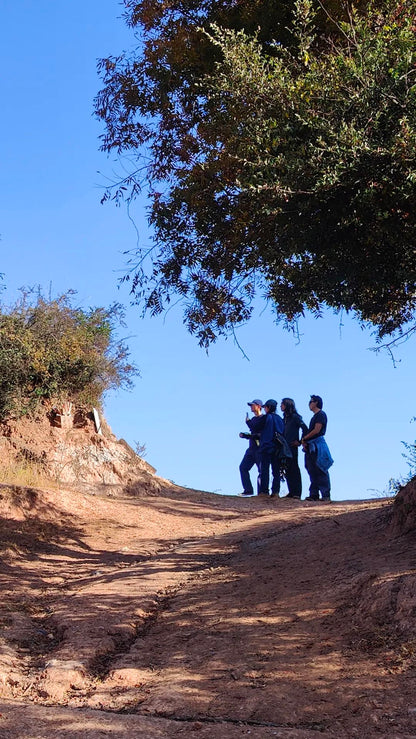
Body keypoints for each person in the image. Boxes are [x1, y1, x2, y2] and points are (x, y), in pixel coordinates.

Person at [301, 395, 333, 502]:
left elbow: (317, 430)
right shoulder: (314, 416)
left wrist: (305, 438)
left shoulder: (321, 415)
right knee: (311, 469)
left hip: (317, 445)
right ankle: (314, 494)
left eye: (311, 401)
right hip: (311, 446)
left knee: (320, 468)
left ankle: (325, 494)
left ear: (316, 403)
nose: (309, 404)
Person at [280, 398, 308, 500]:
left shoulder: (295, 417)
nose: (280, 406)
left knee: (294, 468)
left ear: (287, 405)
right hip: (284, 447)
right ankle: (291, 491)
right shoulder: (284, 419)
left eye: (282, 404)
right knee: (287, 468)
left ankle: (297, 493)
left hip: (292, 447)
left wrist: (300, 441)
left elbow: (305, 428)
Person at [258, 399, 284, 497]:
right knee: (276, 471)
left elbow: (258, 427)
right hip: (277, 447)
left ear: (268, 407)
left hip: (266, 446)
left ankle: (264, 491)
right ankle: (276, 492)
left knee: (265, 470)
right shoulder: (279, 419)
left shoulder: (266, 417)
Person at [238, 399, 264, 496]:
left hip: (260, 449)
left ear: (259, 406)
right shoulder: (253, 419)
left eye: (253, 405)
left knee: (261, 471)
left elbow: (258, 432)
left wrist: (248, 423)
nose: (251, 407)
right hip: (251, 448)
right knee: (243, 467)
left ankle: (261, 493)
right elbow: (253, 432)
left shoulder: (264, 418)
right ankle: (248, 490)